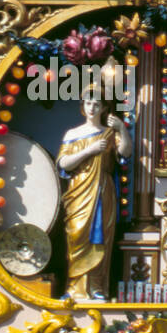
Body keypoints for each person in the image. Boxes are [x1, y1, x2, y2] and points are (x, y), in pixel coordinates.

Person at [58, 92, 131, 299]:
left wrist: (122, 129)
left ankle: (97, 288)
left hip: (102, 189)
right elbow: (63, 163)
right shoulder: (73, 133)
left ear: (104, 108)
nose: (92, 108)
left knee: (101, 238)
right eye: (89, 103)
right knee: (76, 234)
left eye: (97, 104)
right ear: (83, 106)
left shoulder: (109, 133)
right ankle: (74, 288)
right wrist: (88, 150)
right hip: (79, 189)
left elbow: (125, 154)